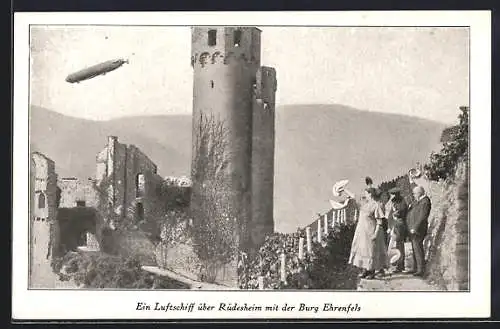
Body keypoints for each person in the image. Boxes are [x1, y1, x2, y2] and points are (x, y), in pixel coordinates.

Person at [348, 187, 388, 279]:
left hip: (370, 231)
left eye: (366, 193)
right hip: (362, 232)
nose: (365, 195)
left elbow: (379, 222)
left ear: (370, 194)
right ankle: (365, 270)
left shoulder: (376, 205)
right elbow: (354, 196)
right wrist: (345, 190)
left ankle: (371, 272)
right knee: (363, 250)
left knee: (371, 251)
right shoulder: (364, 204)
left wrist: (375, 234)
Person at [405, 185, 431, 277]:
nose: (413, 195)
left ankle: (420, 270)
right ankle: (415, 268)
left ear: (419, 193)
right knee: (415, 248)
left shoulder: (425, 201)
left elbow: (422, 217)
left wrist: (415, 227)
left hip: (418, 229)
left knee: (418, 249)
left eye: (414, 194)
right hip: (414, 229)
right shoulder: (418, 201)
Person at [384, 187, 408, 273]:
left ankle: (400, 265)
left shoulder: (402, 202)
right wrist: (389, 226)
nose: (391, 197)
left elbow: (400, 212)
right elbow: (388, 213)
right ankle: (394, 263)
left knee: (399, 246)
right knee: (391, 245)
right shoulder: (393, 201)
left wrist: (395, 213)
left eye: (392, 195)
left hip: (399, 226)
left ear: (396, 194)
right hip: (392, 226)